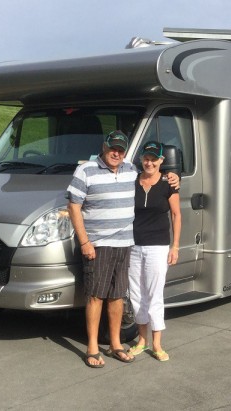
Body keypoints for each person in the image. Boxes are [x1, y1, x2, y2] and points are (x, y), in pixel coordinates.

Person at [67, 131, 178, 368]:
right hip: (99, 245)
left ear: (125, 153)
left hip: (126, 243)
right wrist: (85, 242)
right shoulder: (86, 170)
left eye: (121, 150)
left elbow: (155, 175)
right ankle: (93, 348)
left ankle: (116, 344)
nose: (116, 153)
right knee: (96, 296)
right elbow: (73, 206)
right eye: (112, 148)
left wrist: (174, 177)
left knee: (118, 297)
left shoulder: (130, 171)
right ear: (104, 146)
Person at [128, 141, 181, 362]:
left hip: (158, 246)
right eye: (146, 158)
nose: (149, 162)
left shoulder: (169, 183)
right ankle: (142, 340)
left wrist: (175, 246)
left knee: (154, 294)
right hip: (133, 245)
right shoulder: (132, 181)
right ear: (141, 160)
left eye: (154, 159)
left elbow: (176, 215)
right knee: (136, 294)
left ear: (161, 160)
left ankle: (157, 343)